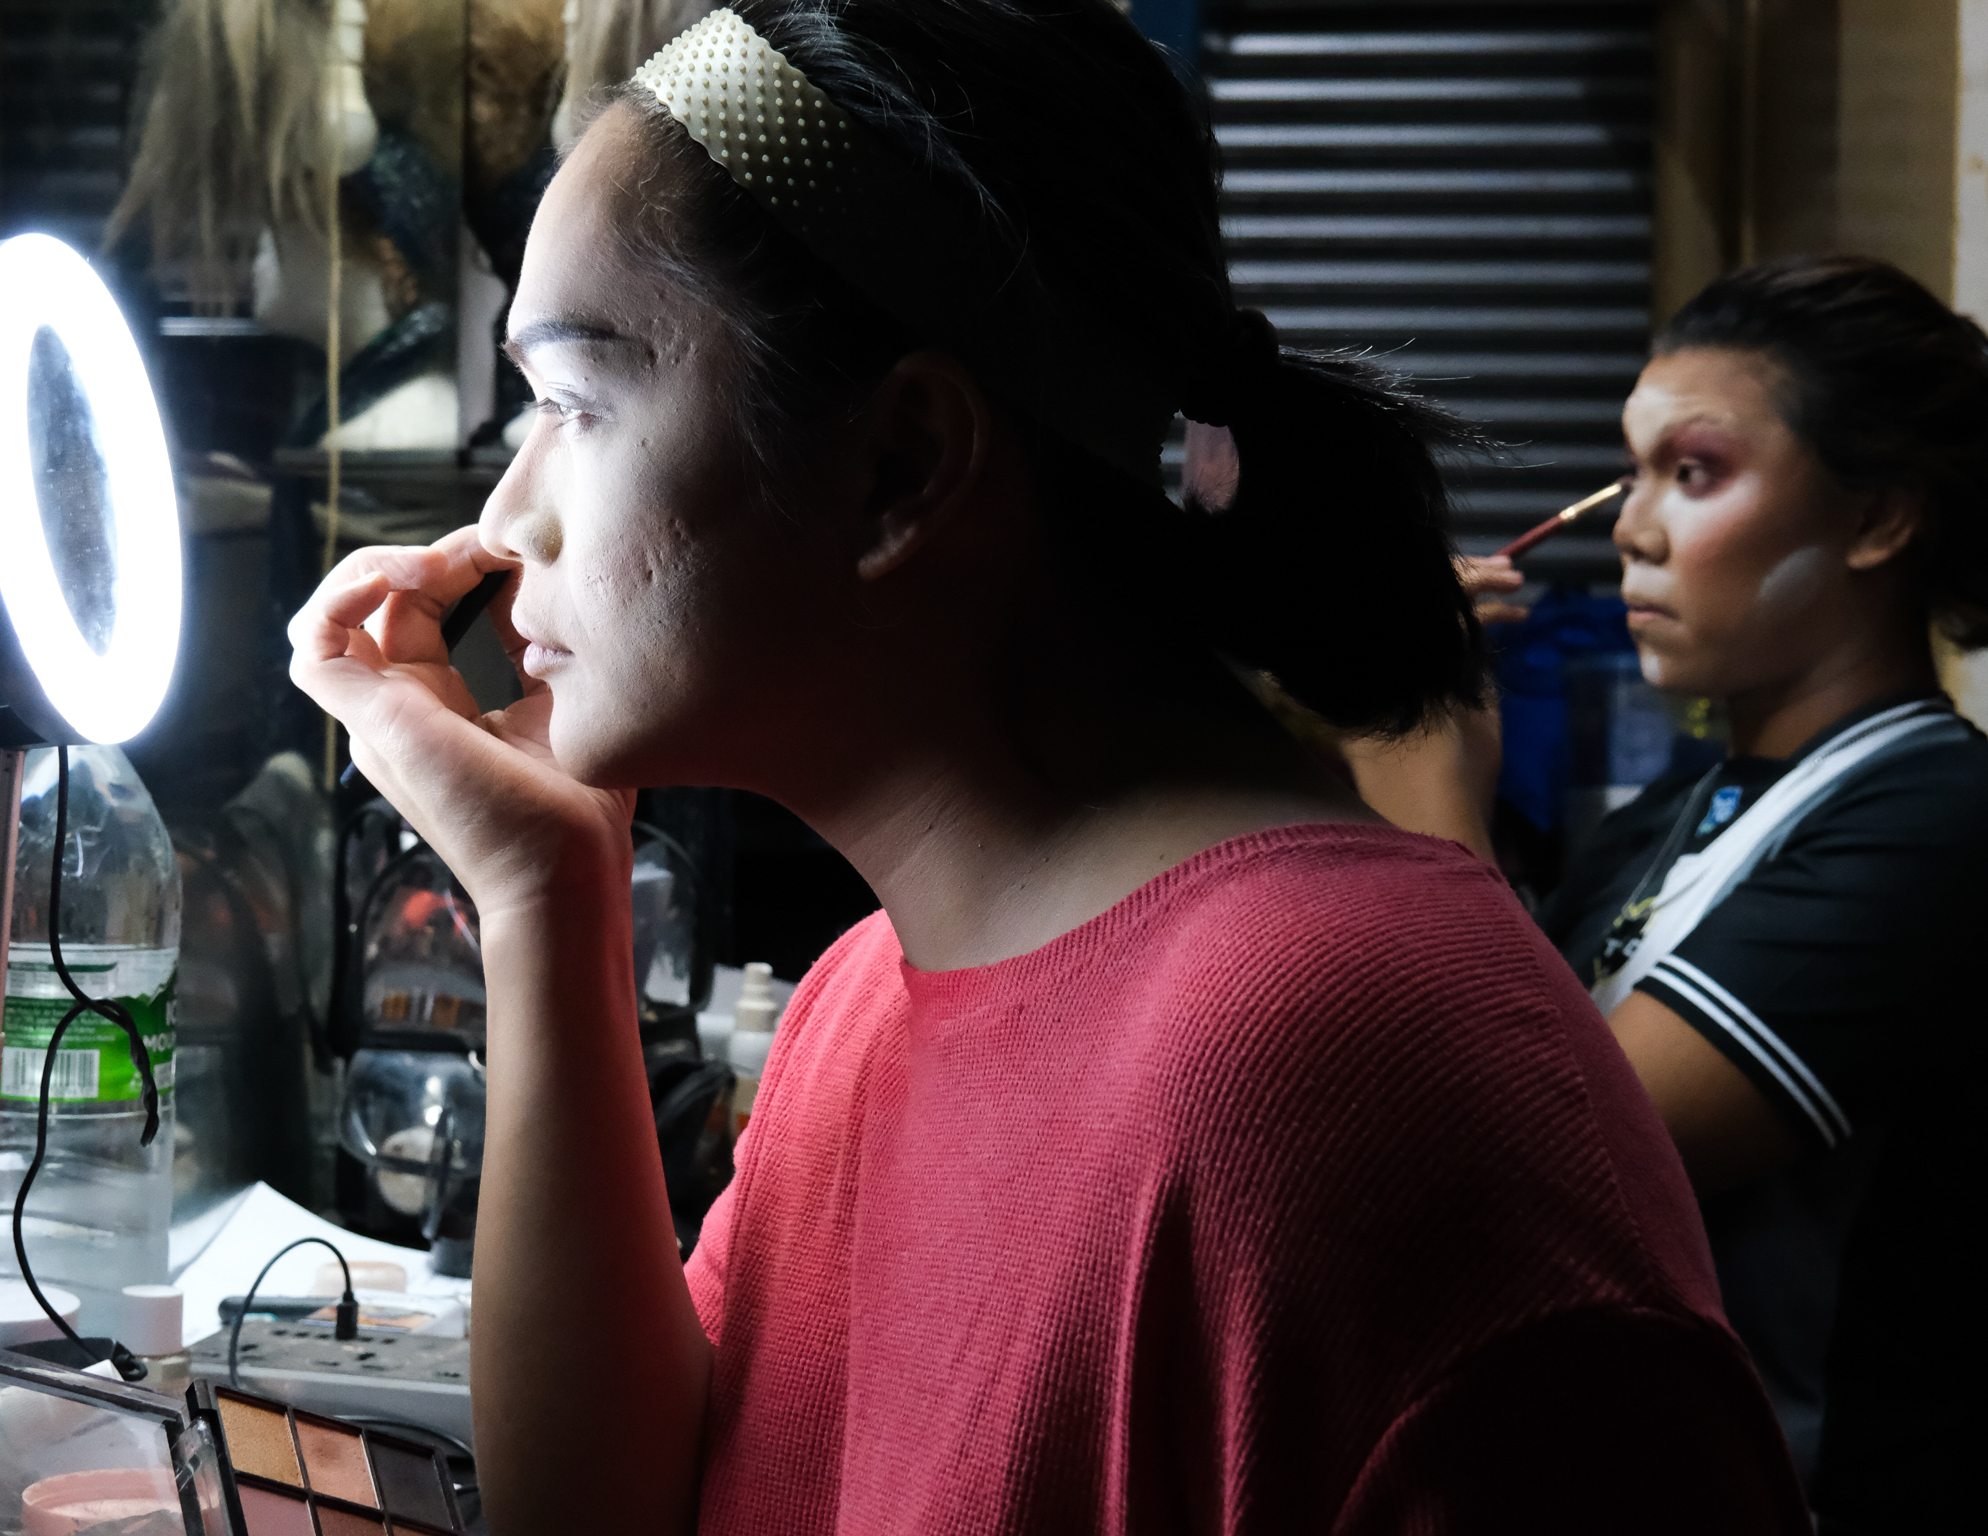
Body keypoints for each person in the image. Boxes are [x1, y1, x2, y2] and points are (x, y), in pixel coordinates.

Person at [288, 2, 1808, 1530]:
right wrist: (547, 904)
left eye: (572, 403)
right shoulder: (861, 1004)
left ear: (901, 467)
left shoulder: (1358, 1070)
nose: (505, 520)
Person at [1359, 254, 1988, 1533]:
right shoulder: (1682, 812)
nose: (1630, 529)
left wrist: (1418, 750)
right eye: (1631, 475)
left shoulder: (1938, 820)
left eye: (1693, 474)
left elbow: (1530, 1153)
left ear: (1877, 520)